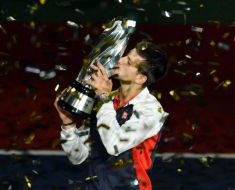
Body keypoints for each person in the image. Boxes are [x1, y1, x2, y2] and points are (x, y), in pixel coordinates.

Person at [54, 40, 169, 190]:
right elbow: (78, 157)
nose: (119, 60)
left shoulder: (152, 112)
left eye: (128, 61)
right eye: (126, 55)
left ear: (140, 78)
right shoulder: (105, 102)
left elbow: (114, 146)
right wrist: (68, 124)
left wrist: (104, 98)